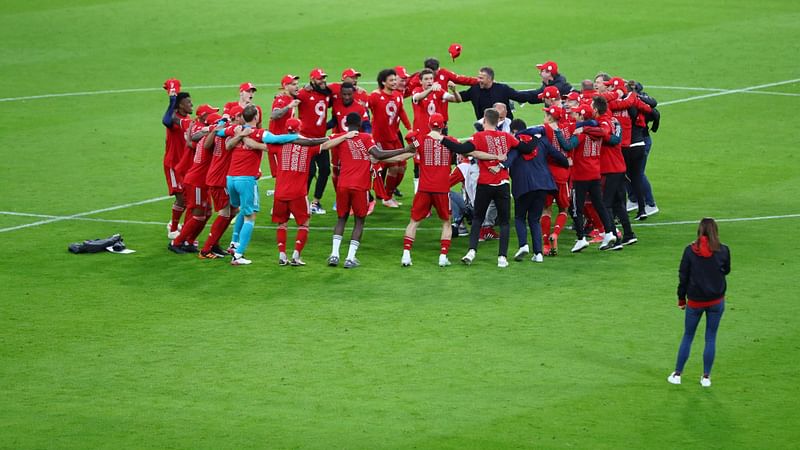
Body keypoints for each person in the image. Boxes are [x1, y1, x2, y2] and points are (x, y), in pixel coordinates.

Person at [402, 113, 502, 268]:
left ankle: (406, 255)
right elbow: (472, 153)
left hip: (424, 188)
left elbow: (407, 148)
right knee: (446, 223)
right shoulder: (451, 142)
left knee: (414, 222)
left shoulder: (420, 140)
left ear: (429, 125)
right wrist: (495, 156)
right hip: (442, 189)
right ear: (443, 126)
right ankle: (443, 256)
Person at [225, 105, 315, 266]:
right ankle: (238, 255)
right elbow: (275, 140)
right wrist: (296, 138)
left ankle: (233, 243)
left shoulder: (235, 129)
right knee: (250, 217)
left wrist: (230, 132)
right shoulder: (260, 133)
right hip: (246, 180)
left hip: (231, 178)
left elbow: (221, 136)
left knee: (239, 211)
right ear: (256, 118)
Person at [327, 112, 415, 268]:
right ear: (360, 124)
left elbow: (326, 147)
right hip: (360, 186)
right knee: (359, 221)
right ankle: (350, 258)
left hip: (342, 184)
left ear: (346, 123)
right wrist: (404, 149)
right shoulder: (366, 138)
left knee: (341, 219)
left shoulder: (339, 137)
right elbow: (379, 155)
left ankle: (334, 255)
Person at [438, 108, 524, 267]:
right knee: (504, 222)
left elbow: (461, 149)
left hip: (485, 183)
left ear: (485, 120)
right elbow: (524, 149)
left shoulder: (479, 136)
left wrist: (441, 139)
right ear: (498, 121)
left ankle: (471, 252)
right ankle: (502, 258)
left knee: (478, 219)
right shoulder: (506, 137)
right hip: (503, 184)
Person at [267, 118, 343, 266]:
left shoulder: (279, 146)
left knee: (281, 224)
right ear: (299, 129)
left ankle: (282, 255)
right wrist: (343, 137)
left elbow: (261, 146)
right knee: (304, 224)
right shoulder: (307, 146)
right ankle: (296, 255)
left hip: (280, 192)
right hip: (298, 194)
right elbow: (326, 145)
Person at [668, 218, 731, 388]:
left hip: (695, 302)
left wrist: (681, 299)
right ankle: (706, 377)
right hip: (716, 301)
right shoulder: (723, 250)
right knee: (711, 337)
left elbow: (683, 277)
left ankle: (677, 374)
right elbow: (727, 270)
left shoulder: (690, 251)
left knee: (688, 336)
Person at [550, 102, 618, 252]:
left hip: (581, 176)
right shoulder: (597, 132)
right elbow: (609, 136)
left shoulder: (580, 134)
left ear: (581, 116)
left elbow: (567, 146)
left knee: (575, 208)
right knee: (599, 204)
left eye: (576, 114)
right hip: (595, 173)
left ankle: (581, 238)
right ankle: (608, 233)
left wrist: (557, 132)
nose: (573, 116)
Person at [507, 119, 570, 262]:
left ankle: (523, 245)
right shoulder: (542, 141)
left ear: (514, 131)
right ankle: (538, 253)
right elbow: (558, 155)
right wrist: (567, 163)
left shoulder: (514, 143)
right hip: (543, 184)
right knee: (535, 219)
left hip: (523, 185)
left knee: (519, 217)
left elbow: (508, 161)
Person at [368, 68, 408, 208]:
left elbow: (401, 112)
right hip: (380, 138)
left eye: (395, 79)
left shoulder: (397, 95)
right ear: (383, 82)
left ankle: (387, 194)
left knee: (402, 166)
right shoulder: (375, 96)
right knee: (393, 167)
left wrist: (409, 129)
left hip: (394, 136)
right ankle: (386, 197)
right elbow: (364, 110)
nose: (394, 82)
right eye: (391, 80)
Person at [297, 68, 333, 214]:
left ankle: (315, 202)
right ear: (312, 80)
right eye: (319, 78)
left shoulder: (326, 94)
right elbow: (291, 97)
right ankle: (300, 202)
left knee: (325, 170)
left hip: (321, 140)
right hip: (306, 140)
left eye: (323, 78)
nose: (323, 80)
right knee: (309, 172)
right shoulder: (304, 94)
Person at [161, 81, 193, 240]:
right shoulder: (174, 118)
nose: (191, 104)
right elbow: (166, 121)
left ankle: (175, 226)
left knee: (188, 199)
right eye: (188, 102)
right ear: (180, 105)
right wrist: (171, 101)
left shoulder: (186, 119)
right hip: (174, 164)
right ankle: (173, 228)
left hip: (186, 164)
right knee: (182, 198)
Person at [459, 67, 534, 120]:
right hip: (485, 129)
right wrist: (449, 93)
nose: (478, 80)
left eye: (481, 78)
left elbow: (520, 96)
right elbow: (459, 97)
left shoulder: (502, 89)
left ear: (489, 79)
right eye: (478, 77)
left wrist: (540, 95)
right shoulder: (475, 90)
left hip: (503, 129)